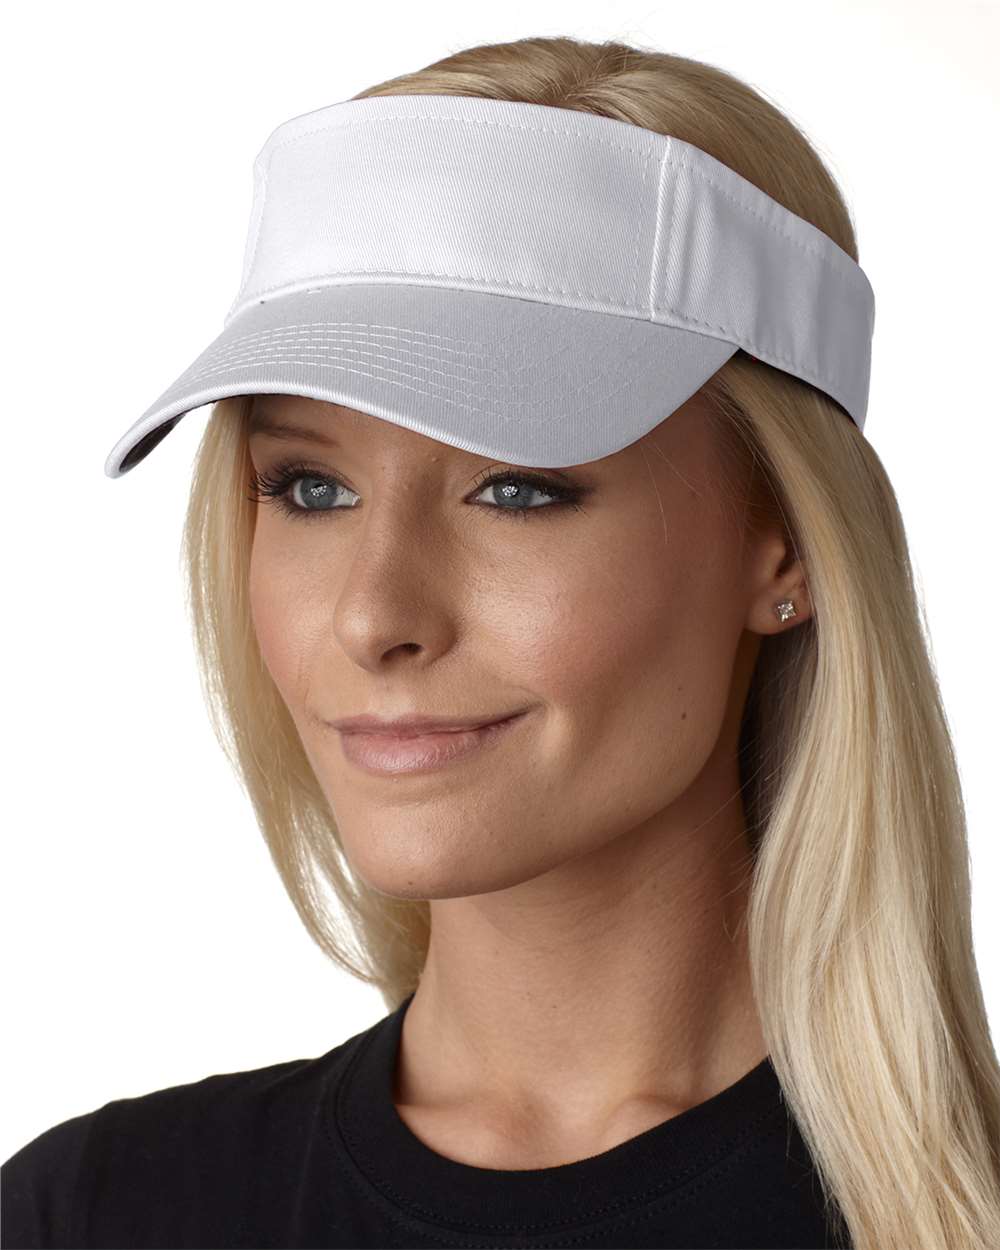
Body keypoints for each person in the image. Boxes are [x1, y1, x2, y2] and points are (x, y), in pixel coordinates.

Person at [4, 34, 1000, 1250]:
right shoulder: (98, 1212)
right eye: (311, 488)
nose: (373, 615)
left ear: (784, 542)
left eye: (516, 488)